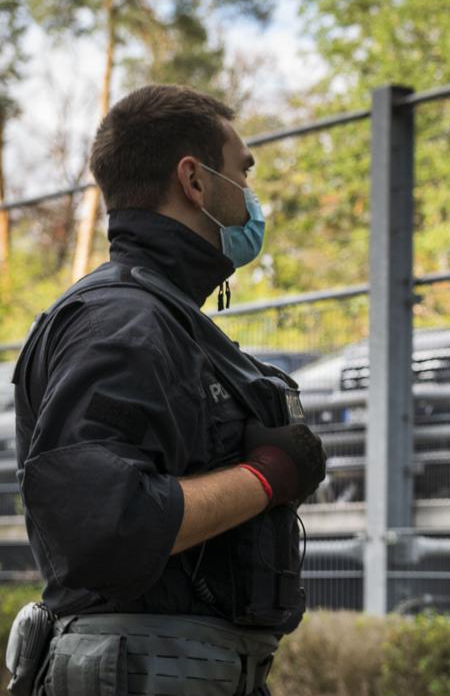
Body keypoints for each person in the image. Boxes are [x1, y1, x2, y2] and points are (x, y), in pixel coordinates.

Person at [10, 84, 326, 696]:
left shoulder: (160, 315)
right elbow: (104, 526)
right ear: (196, 181)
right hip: (144, 672)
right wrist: (269, 476)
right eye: (243, 171)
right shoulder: (123, 323)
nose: (252, 195)